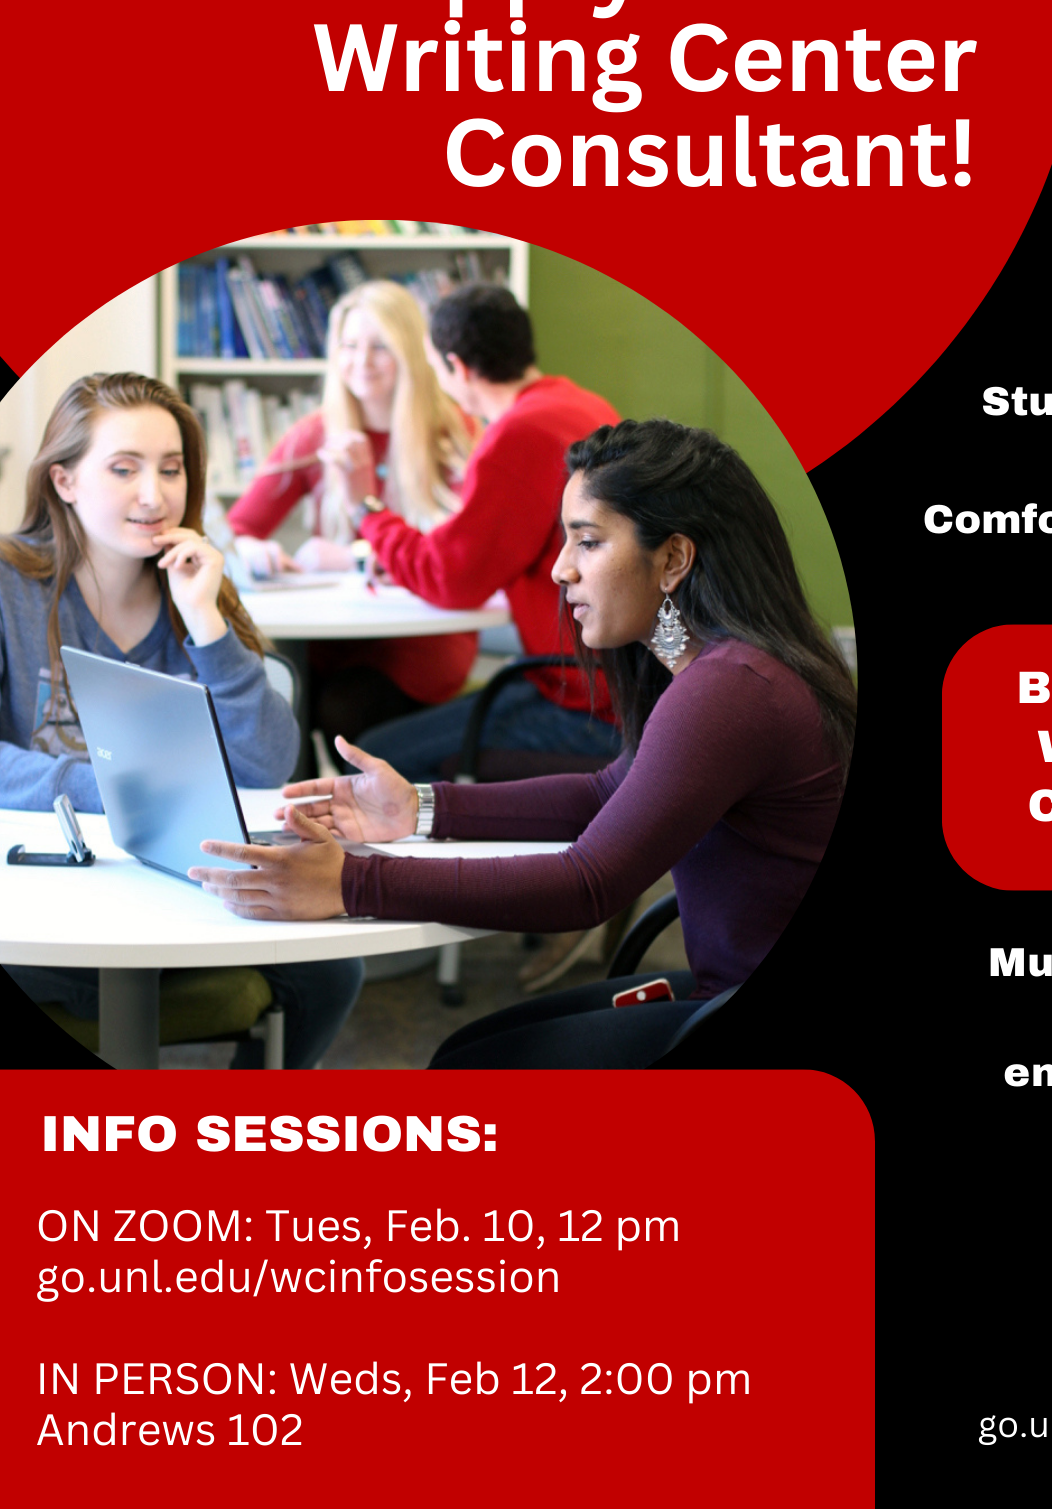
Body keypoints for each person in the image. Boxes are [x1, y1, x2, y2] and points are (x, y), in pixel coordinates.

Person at [189, 419, 857, 1068]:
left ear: (674, 558)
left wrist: (351, 880)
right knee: (465, 1053)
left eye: (587, 541)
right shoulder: (710, 668)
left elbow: (587, 883)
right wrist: (419, 809)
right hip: (720, 985)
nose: (561, 569)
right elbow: (604, 793)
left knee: (471, 1073)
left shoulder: (730, 689)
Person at [0, 372, 361, 1068]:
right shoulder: (10, 585)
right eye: (123, 468)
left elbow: (265, 762)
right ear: (64, 481)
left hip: (173, 878)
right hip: (46, 884)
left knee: (330, 970)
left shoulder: (197, 583)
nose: (154, 494)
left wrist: (205, 621)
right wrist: (109, 787)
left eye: (171, 469)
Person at [340, 283, 622, 780]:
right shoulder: (582, 406)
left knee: (374, 756)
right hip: (611, 683)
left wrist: (366, 507)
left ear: (459, 368)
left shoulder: (517, 435)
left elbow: (449, 579)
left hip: (584, 702)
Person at [226, 280, 477, 742]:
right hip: (330, 638)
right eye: (349, 345)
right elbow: (235, 529)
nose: (361, 361)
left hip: (423, 642)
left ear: (411, 352)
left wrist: (346, 557)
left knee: (343, 708)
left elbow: (459, 552)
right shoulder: (314, 434)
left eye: (380, 346)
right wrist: (254, 551)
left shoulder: (454, 433)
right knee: (269, 701)